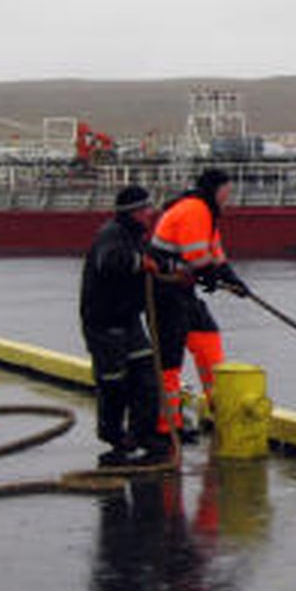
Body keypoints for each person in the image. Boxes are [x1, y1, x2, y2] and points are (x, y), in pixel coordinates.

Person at [149, 168, 250, 446]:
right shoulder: (195, 210)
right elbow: (197, 257)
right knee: (169, 361)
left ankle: (219, 408)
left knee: (208, 336)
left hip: (183, 290)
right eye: (226, 192)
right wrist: (212, 276)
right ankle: (167, 427)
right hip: (163, 292)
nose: (229, 198)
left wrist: (233, 281)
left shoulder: (208, 214)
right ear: (214, 190)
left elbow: (214, 256)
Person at [79, 184, 169, 466]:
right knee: (113, 382)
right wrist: (142, 262)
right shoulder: (112, 235)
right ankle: (113, 436)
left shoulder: (136, 235)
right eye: (147, 209)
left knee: (146, 378)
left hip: (128, 319)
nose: (152, 214)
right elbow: (110, 262)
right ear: (134, 212)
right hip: (105, 323)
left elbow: (154, 260)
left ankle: (143, 434)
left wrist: (170, 267)